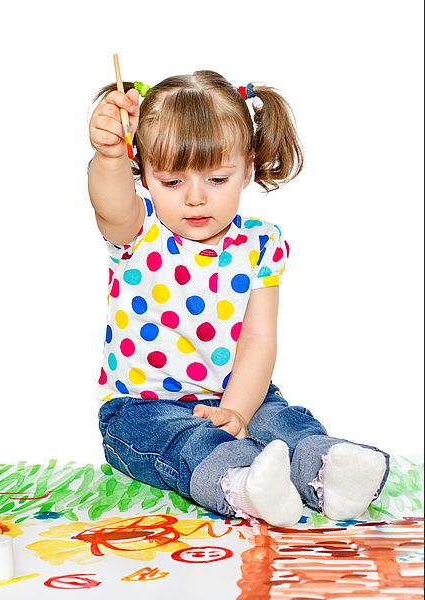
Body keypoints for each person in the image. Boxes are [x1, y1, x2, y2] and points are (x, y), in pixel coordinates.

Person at [87, 70, 390, 527]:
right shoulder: (139, 230)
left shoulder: (260, 244)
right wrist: (109, 154)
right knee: (187, 442)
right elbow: (109, 201)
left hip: (243, 392)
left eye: (216, 178)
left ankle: (330, 473)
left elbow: (259, 338)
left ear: (247, 167)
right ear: (143, 173)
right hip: (142, 406)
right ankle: (243, 484)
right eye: (171, 182)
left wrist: (238, 409)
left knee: (284, 426)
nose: (194, 198)